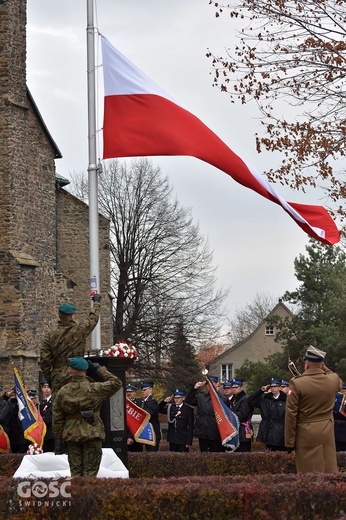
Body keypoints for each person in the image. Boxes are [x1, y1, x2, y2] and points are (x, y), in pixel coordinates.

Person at [52, 356, 122, 477]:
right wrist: (99, 369)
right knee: (90, 474)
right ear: (85, 371)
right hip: (92, 433)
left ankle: (76, 495)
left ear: (70, 371)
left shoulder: (63, 391)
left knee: (75, 473)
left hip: (71, 434)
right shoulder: (94, 388)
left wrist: (59, 437)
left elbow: (57, 415)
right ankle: (88, 495)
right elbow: (117, 383)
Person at [285, 346, 342, 473]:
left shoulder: (297, 383)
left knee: (309, 472)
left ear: (306, 364)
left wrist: (290, 442)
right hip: (327, 429)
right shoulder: (333, 380)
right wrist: (323, 367)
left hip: (306, 432)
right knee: (329, 470)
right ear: (322, 364)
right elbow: (336, 378)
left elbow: (291, 414)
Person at [40, 295, 101, 395]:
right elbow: (93, 319)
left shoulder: (50, 336)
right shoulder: (79, 330)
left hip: (58, 376)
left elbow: (44, 360)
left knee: (58, 407)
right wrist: (97, 303)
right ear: (72, 316)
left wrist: (50, 378)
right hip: (76, 373)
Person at [185, 375, 223, 453]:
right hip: (202, 430)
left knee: (215, 453)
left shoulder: (221, 398)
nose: (209, 386)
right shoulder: (201, 397)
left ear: (216, 384)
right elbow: (189, 400)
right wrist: (195, 388)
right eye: (207, 384)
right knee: (204, 452)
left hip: (214, 430)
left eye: (212, 384)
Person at [248, 377, 287, 451]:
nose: (273, 388)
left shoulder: (285, 400)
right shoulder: (265, 399)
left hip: (280, 432)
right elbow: (251, 400)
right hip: (266, 431)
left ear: (279, 387)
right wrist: (260, 391)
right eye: (271, 387)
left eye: (275, 387)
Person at [228, 379, 253, 452]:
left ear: (241, 388)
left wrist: (230, 415)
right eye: (233, 388)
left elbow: (242, 415)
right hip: (236, 429)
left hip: (243, 429)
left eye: (236, 387)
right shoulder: (234, 399)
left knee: (244, 451)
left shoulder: (244, 399)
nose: (234, 389)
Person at [140, 381, 161, 452]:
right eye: (142, 390)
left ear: (150, 390)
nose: (143, 392)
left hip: (153, 433)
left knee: (152, 454)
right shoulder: (145, 402)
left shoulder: (152, 402)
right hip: (147, 432)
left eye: (144, 390)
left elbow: (147, 414)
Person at [125, 383, 143, 452]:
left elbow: (138, 422)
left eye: (131, 392)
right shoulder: (122, 403)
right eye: (127, 392)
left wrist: (131, 437)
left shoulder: (139, 403)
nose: (129, 393)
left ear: (135, 393)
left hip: (136, 436)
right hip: (124, 436)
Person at [39, 381, 55, 452]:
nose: (46, 389)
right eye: (44, 387)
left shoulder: (54, 401)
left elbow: (53, 416)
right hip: (44, 433)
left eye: (48, 387)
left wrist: (43, 420)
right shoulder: (42, 403)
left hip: (52, 432)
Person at [333, 383, 346, 452]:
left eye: (345, 390)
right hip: (336, 429)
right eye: (342, 390)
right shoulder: (335, 400)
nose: (344, 392)